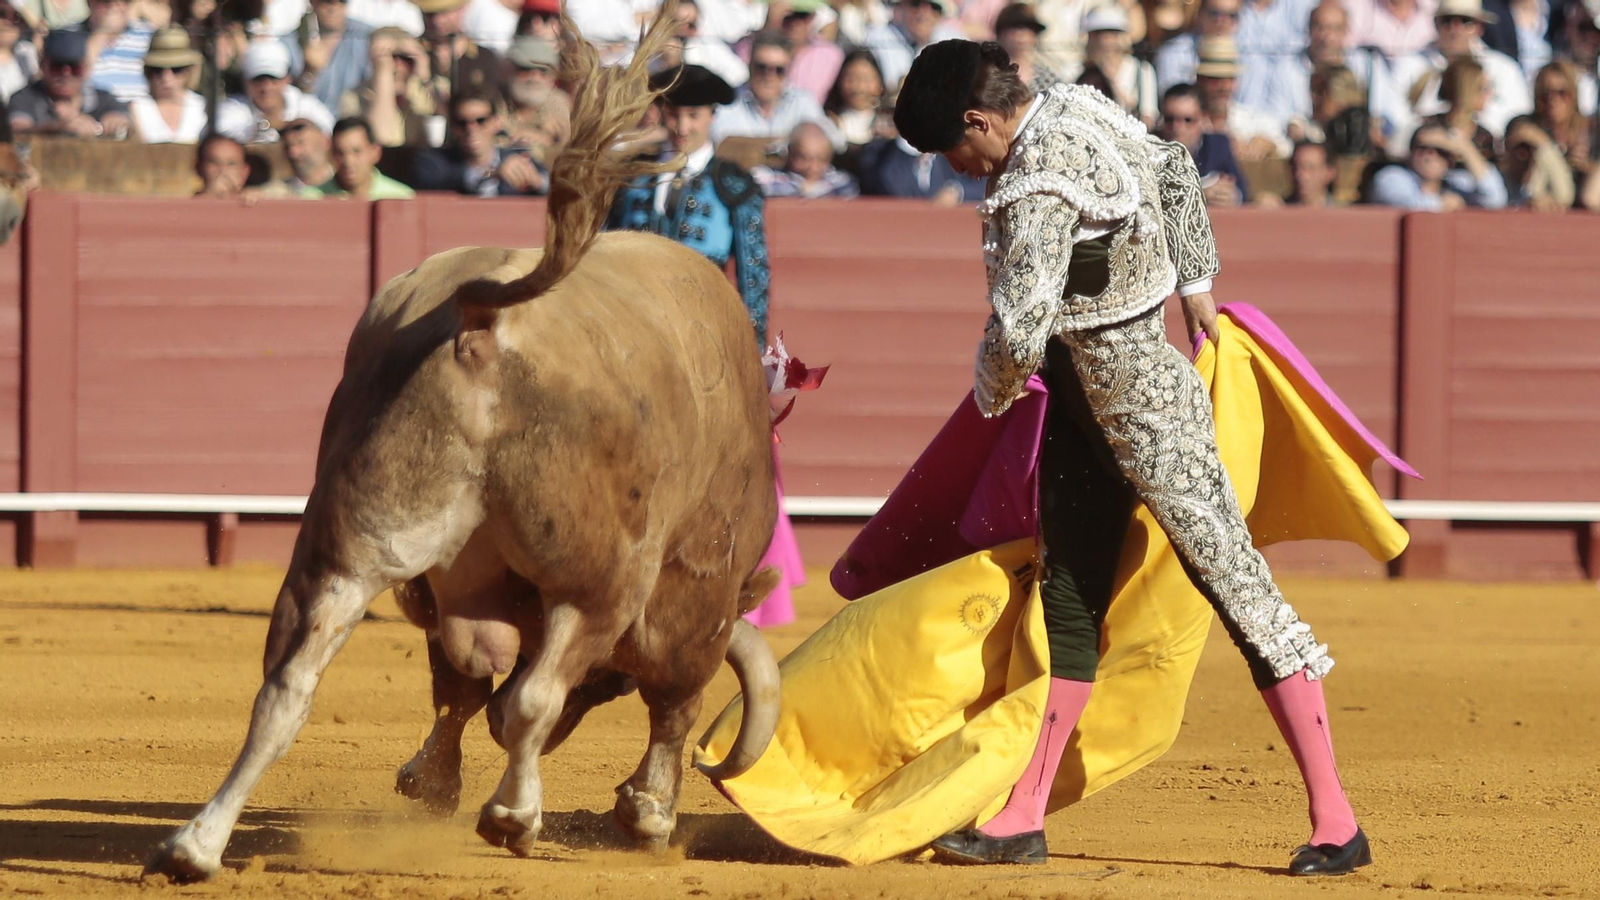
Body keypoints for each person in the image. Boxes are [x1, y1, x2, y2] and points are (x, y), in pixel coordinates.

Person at [891, 39, 1371, 875]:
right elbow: (1177, 169)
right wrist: (1196, 287)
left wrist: (988, 397)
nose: (956, 169)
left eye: (952, 150)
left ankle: (1338, 821)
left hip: (1146, 415)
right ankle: (1023, 816)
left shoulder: (1037, 180)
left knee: (1241, 592)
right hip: (1094, 412)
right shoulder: (1080, 107)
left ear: (979, 120)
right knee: (1070, 600)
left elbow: (1019, 326)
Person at [606, 62, 800, 629]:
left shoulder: (733, 185)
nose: (681, 126)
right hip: (633, 342)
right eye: (672, 114)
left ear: (711, 117)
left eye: (692, 115)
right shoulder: (631, 180)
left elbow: (754, 276)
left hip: (703, 343)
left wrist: (751, 354)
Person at [303, 116, 416, 198]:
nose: (348, 161)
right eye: (340, 153)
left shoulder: (400, 197)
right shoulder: (312, 199)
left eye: (357, 152)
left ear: (375, 152)